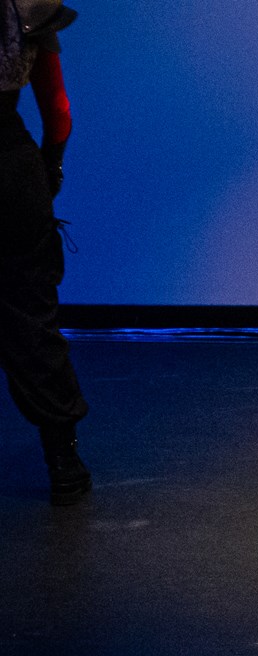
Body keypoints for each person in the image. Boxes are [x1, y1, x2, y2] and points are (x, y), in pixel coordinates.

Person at [1, 0, 89, 503]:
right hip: (11, 172)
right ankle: (64, 462)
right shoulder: (29, 6)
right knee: (32, 318)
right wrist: (50, 166)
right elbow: (57, 109)